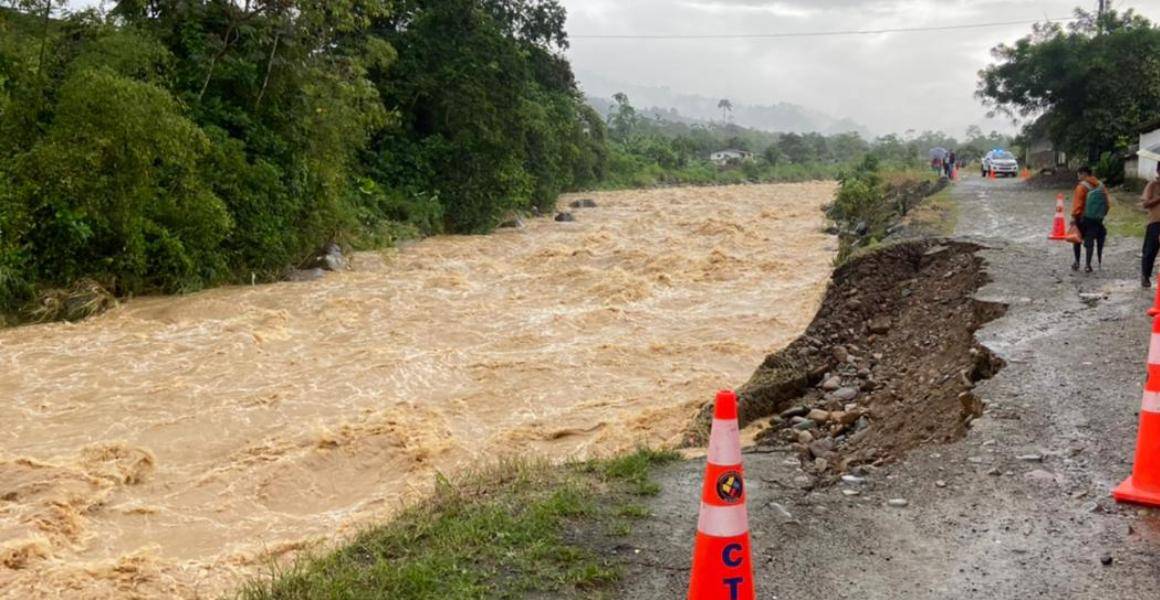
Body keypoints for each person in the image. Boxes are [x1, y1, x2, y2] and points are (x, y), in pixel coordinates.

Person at [1071, 166, 1109, 273]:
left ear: (1084, 174)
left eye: (1079, 174)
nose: (1078, 177)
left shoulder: (1081, 187)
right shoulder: (1101, 186)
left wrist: (1074, 217)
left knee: (1077, 240)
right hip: (1097, 219)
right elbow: (1107, 203)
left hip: (1083, 218)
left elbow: (1077, 205)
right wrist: (1101, 215)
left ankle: (1077, 262)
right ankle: (1088, 265)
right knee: (1090, 240)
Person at [1141, 163, 1160, 288]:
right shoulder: (1152, 185)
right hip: (1155, 222)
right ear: (1158, 171)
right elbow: (1145, 204)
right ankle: (1145, 276)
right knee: (1150, 251)